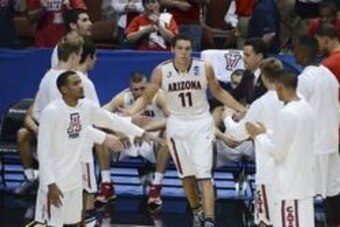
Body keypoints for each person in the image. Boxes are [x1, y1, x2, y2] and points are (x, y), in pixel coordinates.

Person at [127, 34, 245, 227]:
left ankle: (209, 220)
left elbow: (219, 92)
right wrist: (130, 112)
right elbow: (146, 97)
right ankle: (197, 210)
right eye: (180, 48)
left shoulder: (204, 67)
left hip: (201, 124)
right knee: (187, 176)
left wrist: (240, 108)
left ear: (192, 50)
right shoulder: (161, 71)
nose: (184, 52)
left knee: (204, 174)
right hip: (177, 126)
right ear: (173, 49)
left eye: (188, 48)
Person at [34, 71, 151, 226]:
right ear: (64, 89)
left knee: (73, 222)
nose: (81, 86)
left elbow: (111, 120)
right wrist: (50, 183)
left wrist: (139, 131)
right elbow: (43, 151)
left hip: (74, 181)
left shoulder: (86, 107)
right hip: (55, 182)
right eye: (75, 83)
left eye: (80, 82)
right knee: (50, 223)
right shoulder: (52, 111)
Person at [216, 57, 284, 225]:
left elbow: (238, 134)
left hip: (268, 169)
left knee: (264, 220)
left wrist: (226, 119)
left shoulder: (261, 103)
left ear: (264, 77)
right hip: (291, 169)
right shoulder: (294, 100)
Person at [13, 34, 83, 196]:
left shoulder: (48, 77)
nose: (80, 58)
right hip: (58, 145)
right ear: (73, 56)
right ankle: (34, 179)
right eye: (79, 55)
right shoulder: (64, 81)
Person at [246, 70, 315, 227]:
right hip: (305, 182)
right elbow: (293, 138)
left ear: (280, 87)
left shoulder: (287, 113)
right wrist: (266, 133)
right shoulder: (307, 108)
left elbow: (278, 153)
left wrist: (258, 136)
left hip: (289, 184)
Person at [97, 71, 170, 212]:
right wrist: (119, 131)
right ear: (130, 89)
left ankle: (155, 188)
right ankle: (107, 185)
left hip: (152, 138)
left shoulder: (158, 95)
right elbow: (97, 117)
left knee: (169, 137)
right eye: (135, 89)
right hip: (128, 140)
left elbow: (172, 118)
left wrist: (144, 130)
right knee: (101, 138)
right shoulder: (122, 98)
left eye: (142, 88)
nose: (139, 92)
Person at [294, 35, 340, 227]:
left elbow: (297, 114)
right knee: (333, 192)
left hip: (313, 145)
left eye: (296, 49)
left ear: (304, 53)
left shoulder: (304, 79)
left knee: (304, 194)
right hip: (331, 142)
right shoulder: (329, 75)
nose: (294, 52)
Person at [231, 38, 268, 105]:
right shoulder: (247, 74)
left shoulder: (270, 76)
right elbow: (234, 95)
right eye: (243, 55)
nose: (243, 58)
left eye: (247, 55)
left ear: (259, 56)